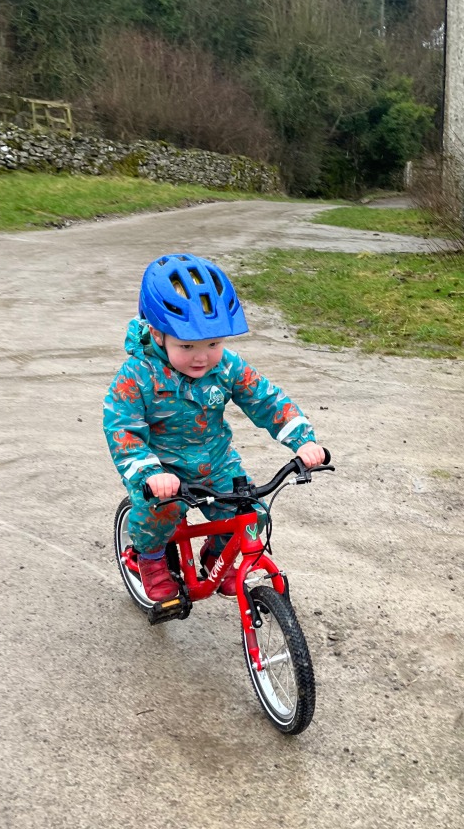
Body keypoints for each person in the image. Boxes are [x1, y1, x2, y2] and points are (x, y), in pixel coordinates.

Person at [103, 252, 326, 602]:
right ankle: (148, 558)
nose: (201, 357)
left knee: (253, 515)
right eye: (187, 346)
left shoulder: (226, 368)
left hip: (216, 463)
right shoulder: (137, 376)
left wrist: (303, 441)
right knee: (157, 515)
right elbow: (123, 429)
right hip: (164, 470)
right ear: (157, 335)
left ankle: (216, 554)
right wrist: (148, 472)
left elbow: (265, 399)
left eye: (213, 344)